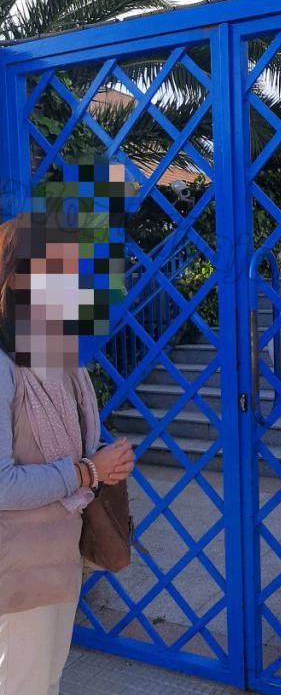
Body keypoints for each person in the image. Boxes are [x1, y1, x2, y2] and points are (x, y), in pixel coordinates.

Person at [0, 215, 135, 695]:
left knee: (44, 681)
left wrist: (102, 461)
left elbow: (66, 448)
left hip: (56, 561)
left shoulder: (55, 356)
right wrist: (85, 470)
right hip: (16, 575)